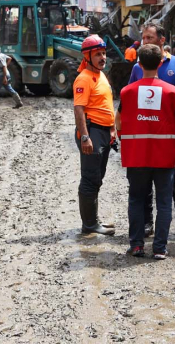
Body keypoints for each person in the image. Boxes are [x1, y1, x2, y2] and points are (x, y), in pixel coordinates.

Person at [118, 44, 175, 259]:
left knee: (136, 199)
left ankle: (136, 245)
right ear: (161, 63)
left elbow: (118, 122)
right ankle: (160, 248)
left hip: (136, 155)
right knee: (164, 202)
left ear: (139, 64)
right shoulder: (172, 92)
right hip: (164, 156)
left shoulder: (127, 92)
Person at [73, 34, 116, 236]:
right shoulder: (83, 78)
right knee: (90, 179)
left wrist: (113, 129)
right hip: (91, 132)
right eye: (98, 54)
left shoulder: (100, 75)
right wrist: (84, 136)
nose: (103, 57)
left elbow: (106, 104)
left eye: (104, 53)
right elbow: (79, 110)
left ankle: (94, 220)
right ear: (87, 56)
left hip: (104, 131)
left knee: (97, 178)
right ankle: (89, 225)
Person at [0, 45, 23, 110]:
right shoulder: (3, 55)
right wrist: (6, 66)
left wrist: (4, 77)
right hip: (5, 74)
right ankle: (19, 102)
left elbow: (3, 67)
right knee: (9, 88)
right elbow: (10, 58)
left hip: (0, 76)